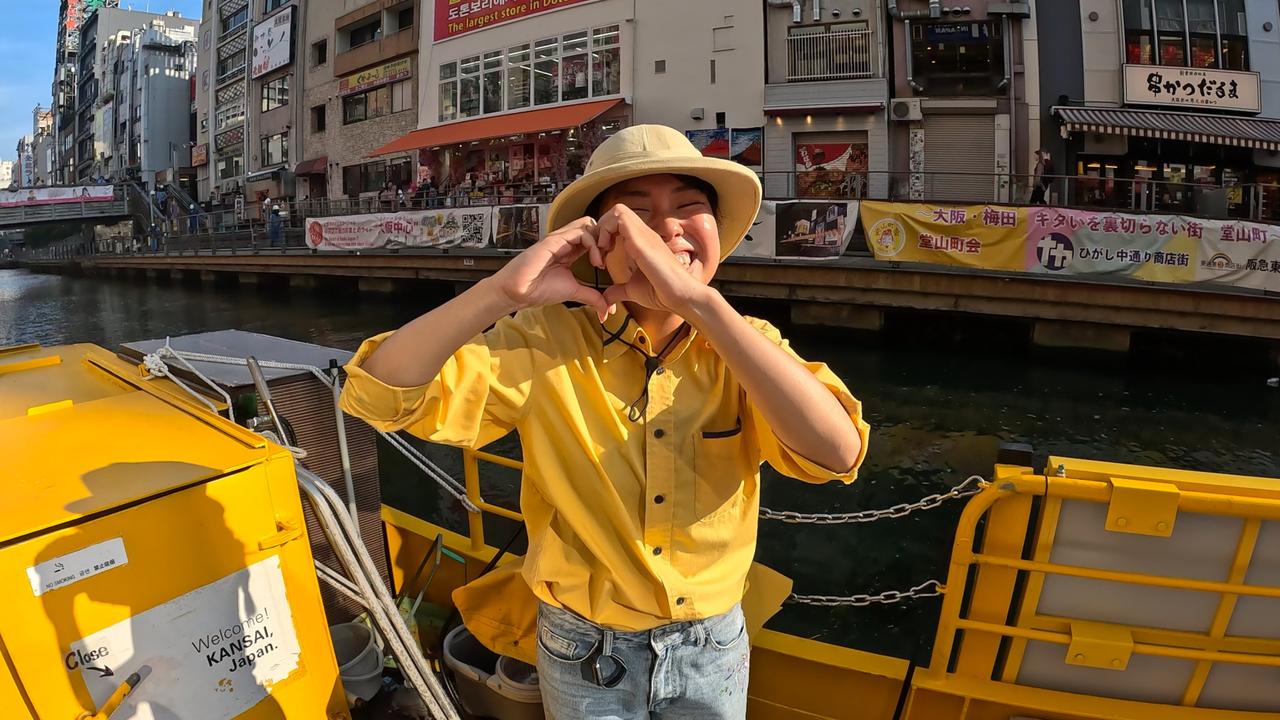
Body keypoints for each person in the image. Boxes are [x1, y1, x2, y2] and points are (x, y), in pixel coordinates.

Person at [339, 125, 869, 719]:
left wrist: (701, 306)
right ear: (597, 246)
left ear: (717, 232)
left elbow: (837, 452)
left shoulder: (748, 348)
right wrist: (499, 293)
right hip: (583, 645)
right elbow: (379, 394)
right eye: (636, 219)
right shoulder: (545, 342)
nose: (666, 229)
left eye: (689, 208)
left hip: (712, 644)